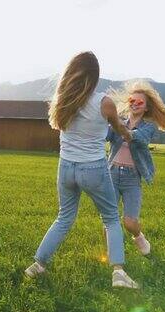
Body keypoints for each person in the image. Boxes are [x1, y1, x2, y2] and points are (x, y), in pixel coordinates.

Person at [24, 52, 139, 288]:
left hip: (66, 167)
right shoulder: (104, 103)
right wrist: (129, 136)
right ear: (95, 76)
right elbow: (119, 129)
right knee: (110, 218)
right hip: (93, 168)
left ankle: (37, 265)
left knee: (64, 217)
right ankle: (118, 273)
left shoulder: (62, 101)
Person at [106, 81, 165, 255]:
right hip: (112, 174)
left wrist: (116, 125)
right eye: (132, 100)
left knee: (129, 222)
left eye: (140, 102)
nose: (135, 104)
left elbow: (137, 138)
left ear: (146, 108)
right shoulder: (118, 122)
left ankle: (138, 236)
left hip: (131, 178)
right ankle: (113, 254)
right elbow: (105, 134)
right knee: (109, 219)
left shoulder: (148, 127)